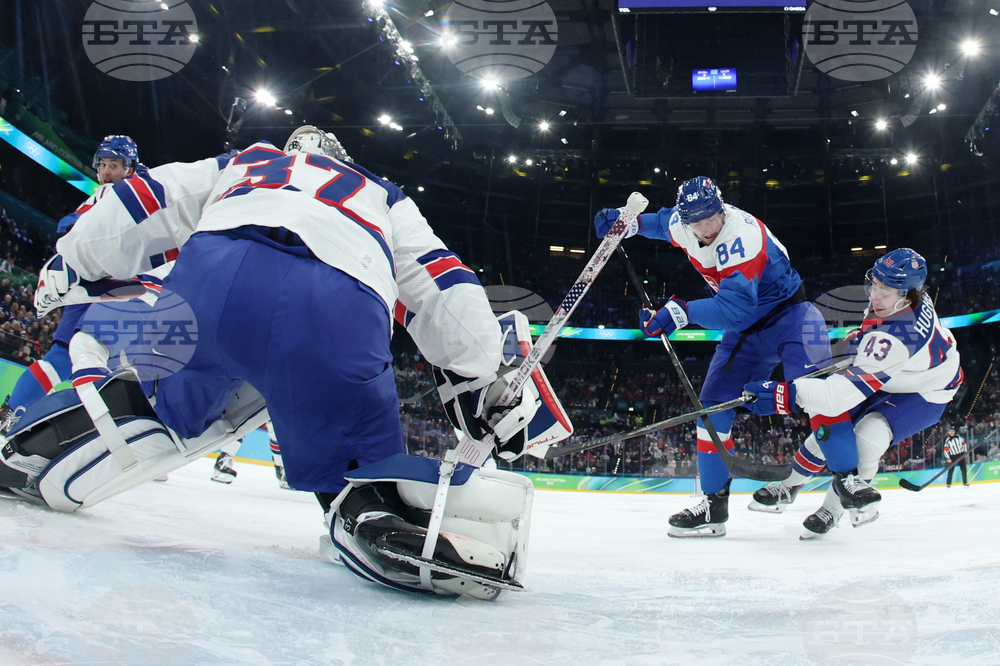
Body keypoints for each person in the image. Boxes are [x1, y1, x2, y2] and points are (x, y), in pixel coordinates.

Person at [32, 126, 540, 596]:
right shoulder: (380, 192)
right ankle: (369, 510)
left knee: (160, 403)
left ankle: (48, 442)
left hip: (207, 281)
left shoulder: (249, 159)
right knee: (354, 461)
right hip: (335, 304)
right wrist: (480, 365)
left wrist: (73, 259)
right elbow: (439, 280)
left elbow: (151, 197)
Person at [594, 176, 831, 537]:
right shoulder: (683, 223)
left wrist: (680, 313)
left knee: (823, 402)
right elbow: (656, 223)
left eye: (712, 217)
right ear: (686, 220)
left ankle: (833, 492)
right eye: (697, 222)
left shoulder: (741, 236)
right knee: (711, 411)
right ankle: (713, 506)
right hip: (746, 331)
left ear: (722, 209)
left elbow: (735, 310)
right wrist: (624, 222)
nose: (706, 228)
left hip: (791, 317)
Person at [744, 248, 963, 538]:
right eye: (875, 284)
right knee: (830, 429)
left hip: (926, 390)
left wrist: (786, 394)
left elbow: (837, 396)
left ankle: (833, 509)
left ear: (907, 295)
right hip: (900, 374)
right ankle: (790, 484)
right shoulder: (904, 301)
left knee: (867, 439)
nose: (875, 295)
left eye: (884, 290)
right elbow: (878, 329)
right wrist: (861, 339)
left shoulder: (896, 339)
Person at [0, 135, 141, 434]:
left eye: (114, 165)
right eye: (103, 165)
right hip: (103, 290)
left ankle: (12, 419)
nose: (106, 171)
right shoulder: (112, 196)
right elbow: (68, 225)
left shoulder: (131, 194)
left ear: (129, 168)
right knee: (70, 360)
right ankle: (10, 419)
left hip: (116, 291)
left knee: (86, 365)